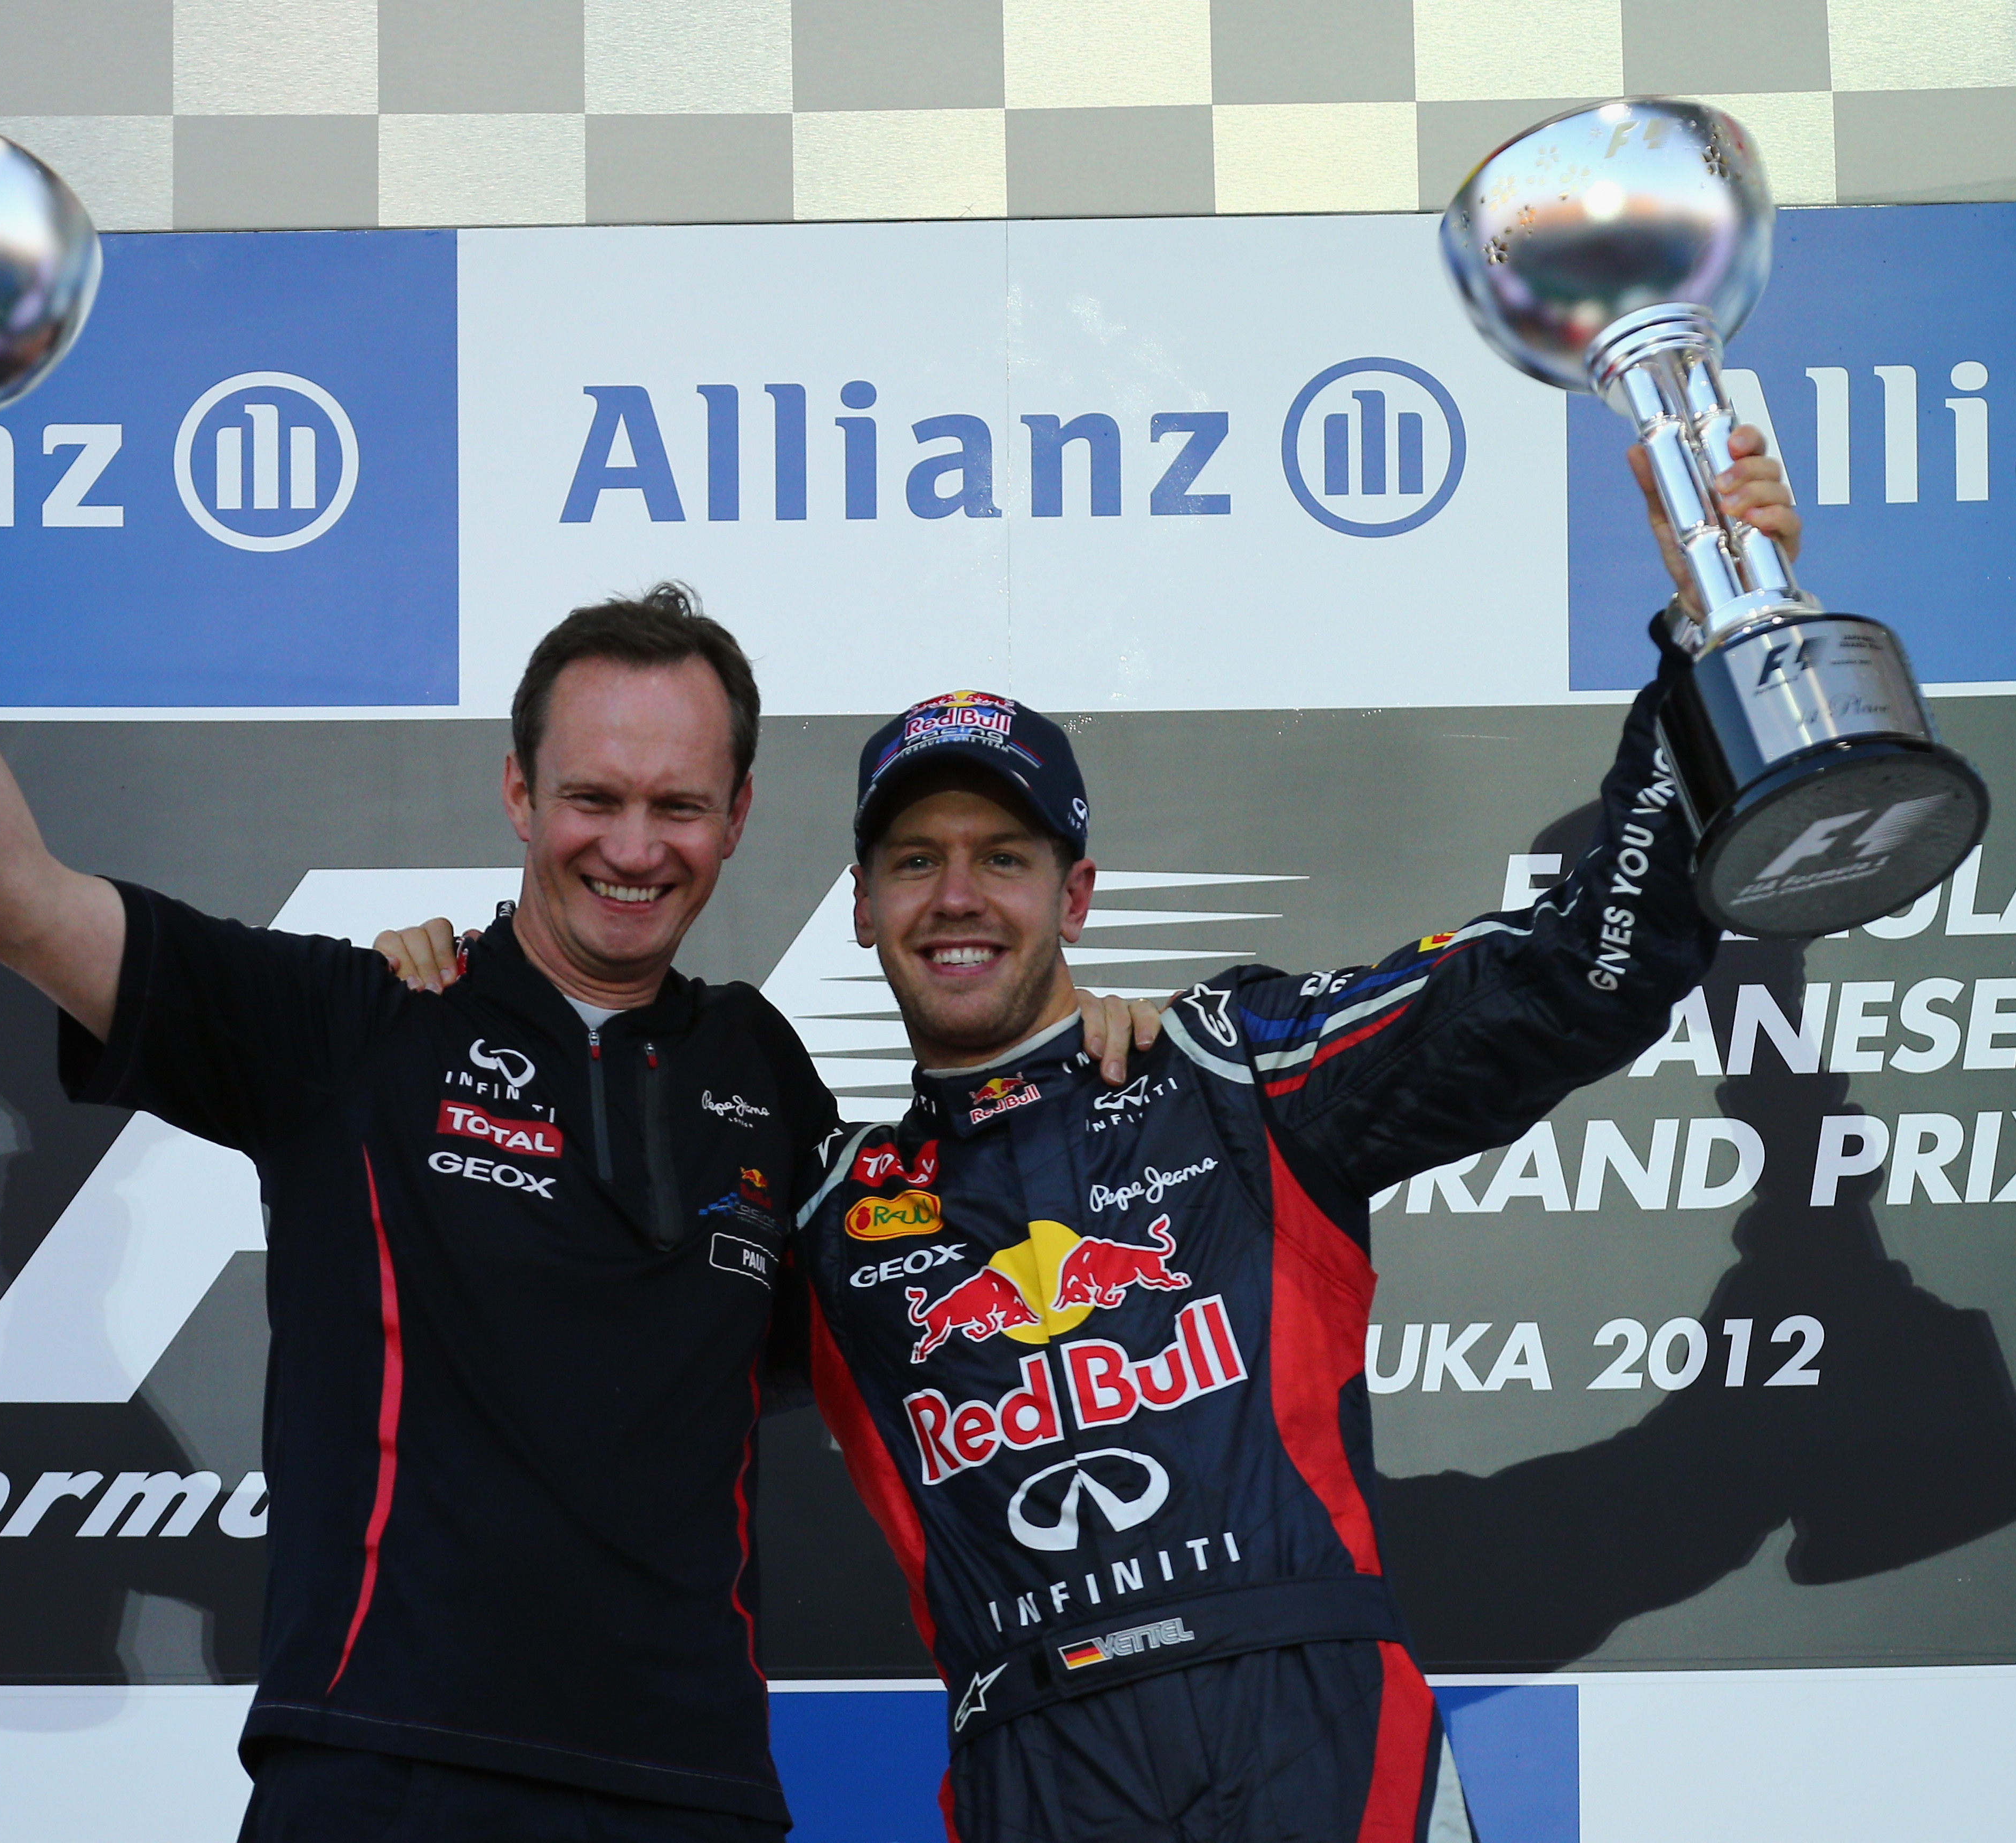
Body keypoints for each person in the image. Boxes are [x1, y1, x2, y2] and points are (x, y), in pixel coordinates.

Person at [0, 375, 1152, 1843]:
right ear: (517, 792)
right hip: (384, 1775)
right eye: (594, 798)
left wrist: (1080, 1056)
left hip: (690, 1794)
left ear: (739, 817)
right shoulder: (361, 1022)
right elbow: (10, 903)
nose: (634, 848)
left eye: (679, 806)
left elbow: (928, 1281)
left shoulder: (759, 1069)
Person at [385, 427, 1796, 1840]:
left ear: (1076, 895)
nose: (957, 898)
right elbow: (588, 1330)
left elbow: (1576, 975)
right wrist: (471, 998)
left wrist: (1703, 639)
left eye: (1003, 858)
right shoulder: (825, 1221)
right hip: (1034, 1765)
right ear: (863, 907)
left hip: (1310, 1733)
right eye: (916, 861)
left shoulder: (1234, 1070)